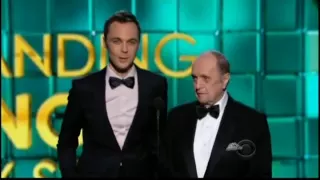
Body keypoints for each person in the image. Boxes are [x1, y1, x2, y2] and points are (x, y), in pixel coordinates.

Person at [57, 11, 168, 178]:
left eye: (131, 42)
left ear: (139, 45)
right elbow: (67, 141)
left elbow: (159, 140)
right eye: (117, 41)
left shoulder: (155, 85)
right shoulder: (84, 88)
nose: (124, 50)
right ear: (105, 42)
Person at [162, 51, 272, 178]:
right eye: (195, 78)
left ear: (225, 80)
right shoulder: (176, 118)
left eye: (205, 78)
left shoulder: (253, 122)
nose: (198, 86)